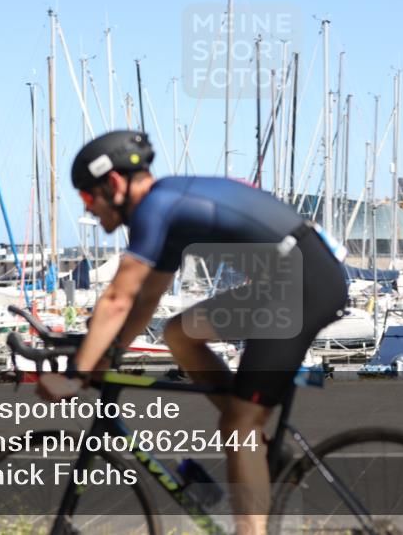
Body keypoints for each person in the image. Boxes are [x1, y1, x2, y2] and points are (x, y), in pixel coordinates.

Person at [36, 130, 347, 534]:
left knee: (239, 426)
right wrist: (112, 354)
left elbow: (117, 298)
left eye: (86, 198)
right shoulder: (167, 208)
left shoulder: (157, 208)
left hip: (302, 286)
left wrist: (76, 373)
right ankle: (265, 452)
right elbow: (145, 300)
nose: (89, 210)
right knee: (179, 333)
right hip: (288, 281)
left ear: (112, 183)